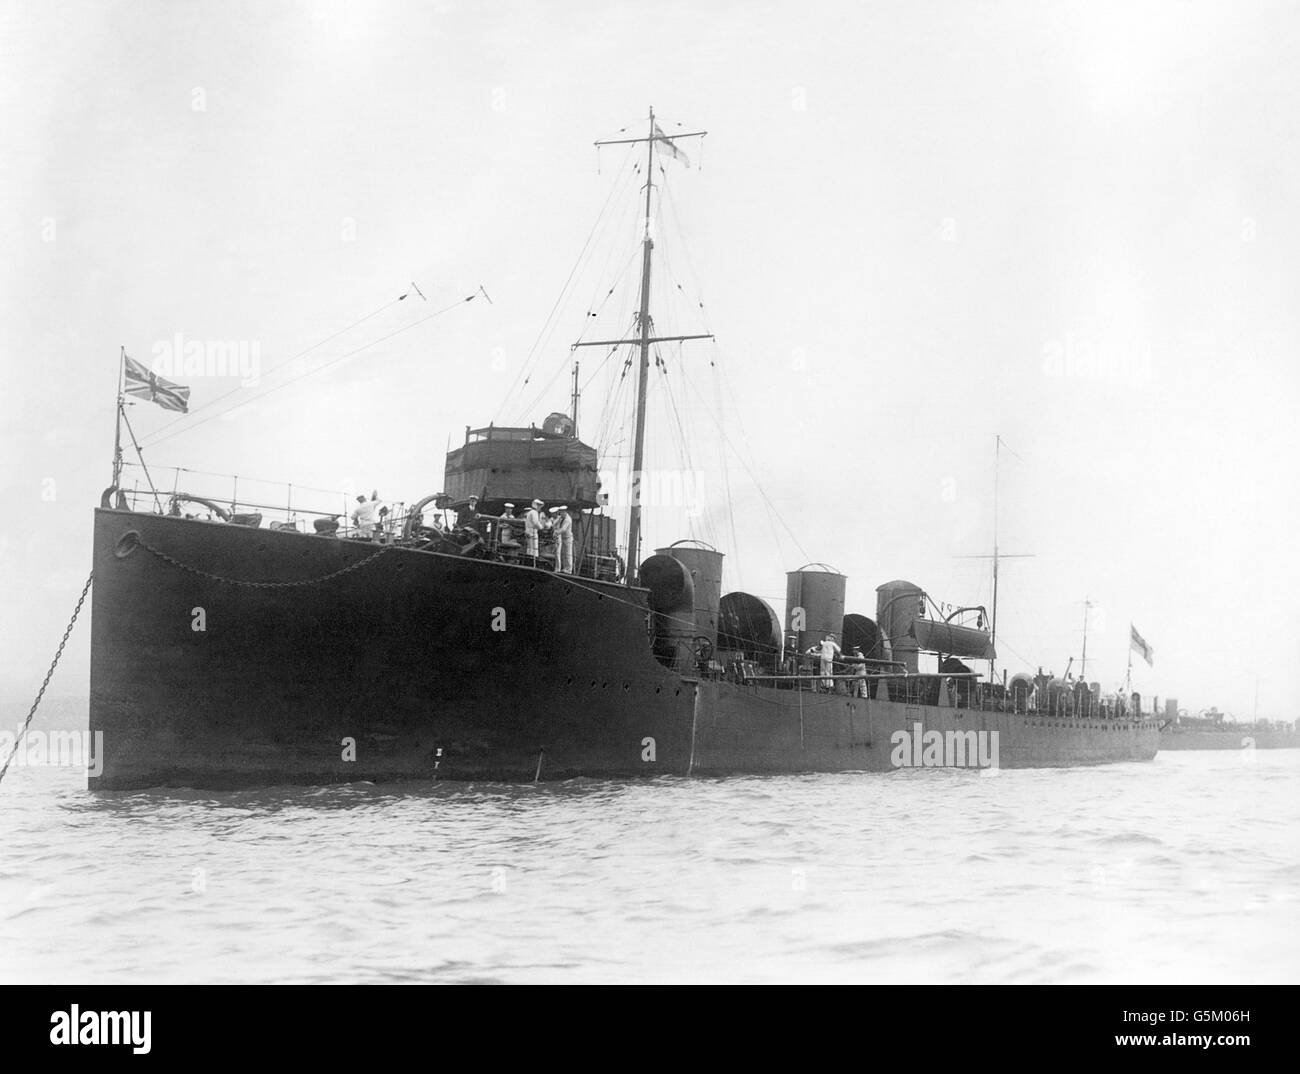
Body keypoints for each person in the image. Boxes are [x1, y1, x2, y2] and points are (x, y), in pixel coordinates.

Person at [550, 505, 574, 573]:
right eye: (560, 512)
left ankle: (569, 569)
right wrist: (552, 524)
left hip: (568, 538)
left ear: (565, 512)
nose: (560, 514)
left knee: (568, 554)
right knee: (564, 554)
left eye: (562, 512)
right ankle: (565, 568)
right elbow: (555, 523)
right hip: (563, 538)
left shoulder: (568, 519)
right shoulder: (561, 518)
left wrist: (556, 532)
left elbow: (563, 529)